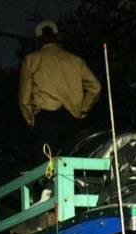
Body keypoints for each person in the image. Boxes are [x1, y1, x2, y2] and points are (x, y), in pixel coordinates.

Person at [19, 20, 101, 156]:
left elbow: (24, 97)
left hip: (46, 119)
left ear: (38, 39)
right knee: (71, 164)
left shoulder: (31, 60)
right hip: (71, 120)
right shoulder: (75, 60)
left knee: (46, 168)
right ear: (57, 37)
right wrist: (82, 109)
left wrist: (30, 120)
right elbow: (96, 87)